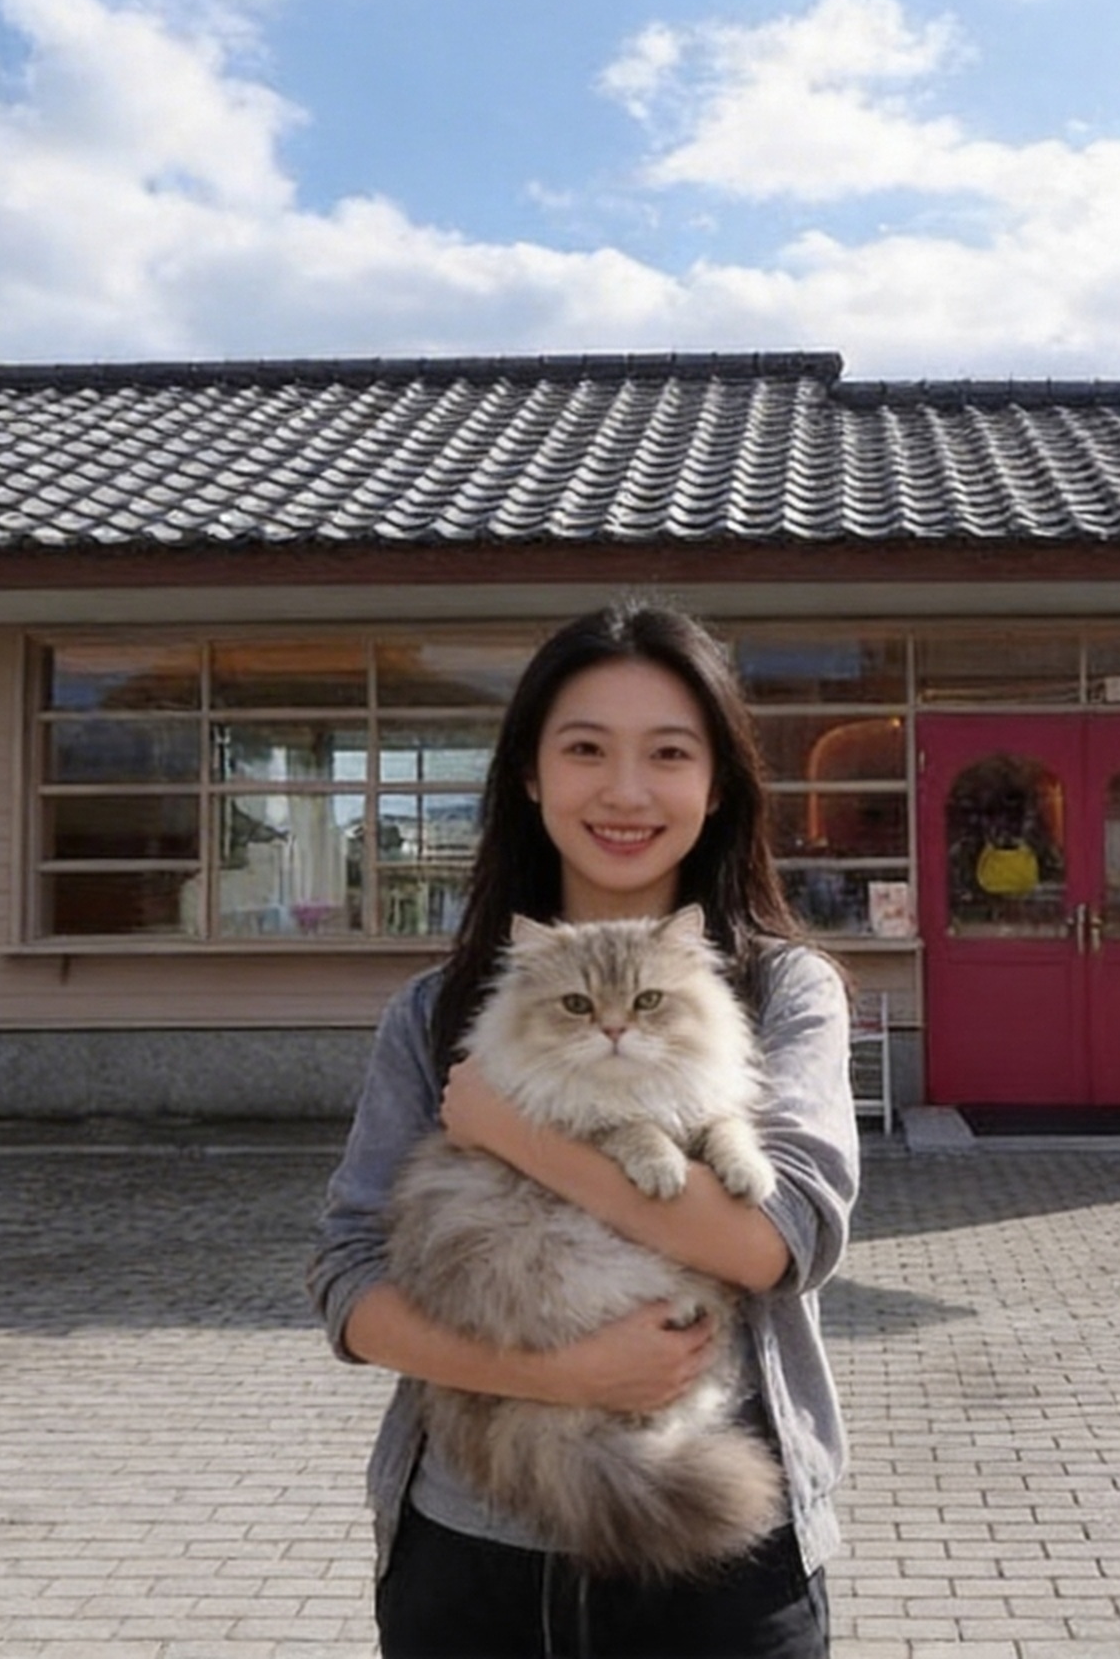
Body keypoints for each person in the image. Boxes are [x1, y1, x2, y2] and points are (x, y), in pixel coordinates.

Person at [308, 600, 860, 1658]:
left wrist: (518, 1134)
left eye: (669, 753)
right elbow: (346, 1279)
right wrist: (562, 1375)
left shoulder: (784, 989)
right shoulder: (436, 1009)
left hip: (719, 1554)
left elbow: (773, 1242)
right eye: (586, 750)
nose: (626, 791)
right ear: (529, 774)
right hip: (473, 1552)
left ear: (718, 783)